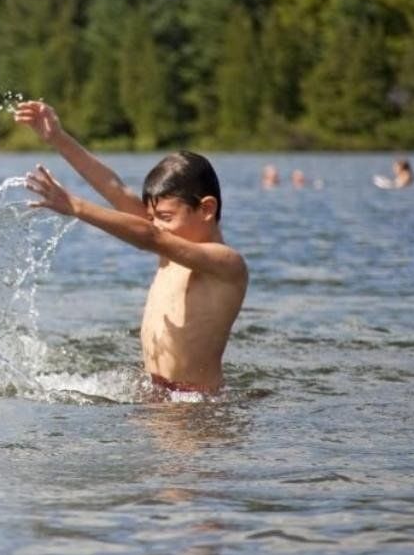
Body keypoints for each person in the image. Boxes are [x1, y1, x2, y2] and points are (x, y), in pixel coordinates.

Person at [14, 100, 248, 395]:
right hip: (155, 395)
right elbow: (114, 188)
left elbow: (150, 236)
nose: (156, 224)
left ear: (206, 209)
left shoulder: (226, 264)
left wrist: (76, 206)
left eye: (165, 217)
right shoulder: (170, 247)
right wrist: (58, 138)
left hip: (196, 407)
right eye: (152, 217)